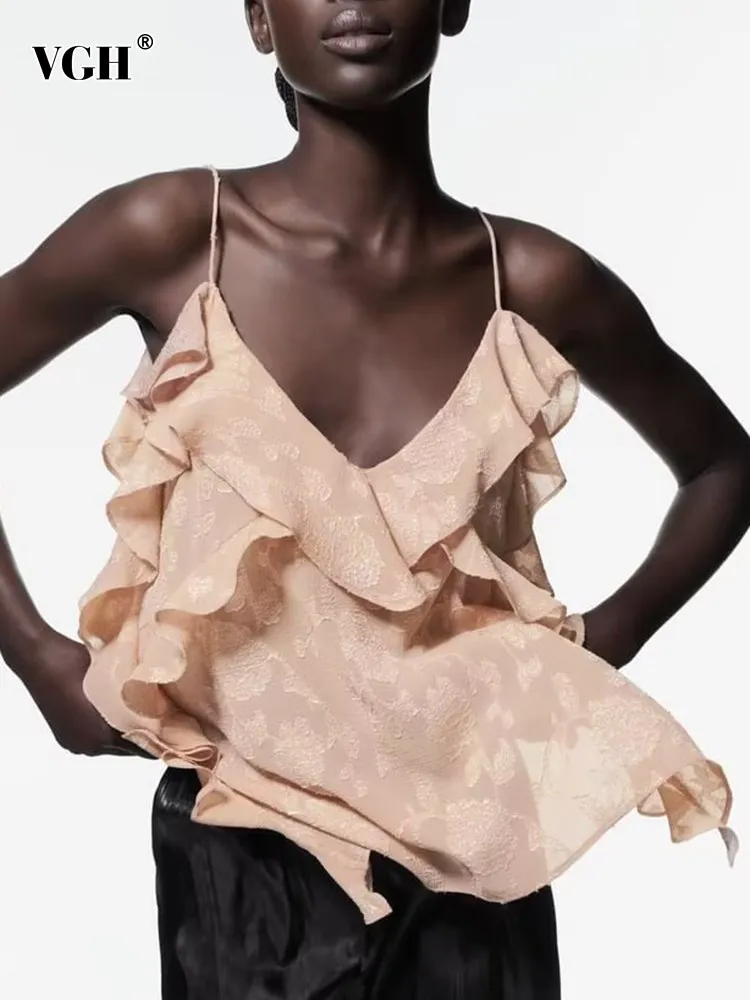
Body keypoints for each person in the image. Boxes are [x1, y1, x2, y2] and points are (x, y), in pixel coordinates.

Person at [0, 2, 747, 998]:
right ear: (259, 19)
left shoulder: (532, 280)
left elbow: (724, 468)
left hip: (476, 849)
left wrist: (593, 648)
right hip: (244, 843)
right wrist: (37, 656)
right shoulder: (176, 233)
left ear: (453, 5)